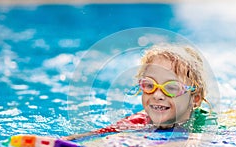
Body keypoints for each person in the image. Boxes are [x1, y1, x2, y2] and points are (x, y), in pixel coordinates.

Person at [63, 44, 217, 141]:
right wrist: (62, 142)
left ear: (195, 99)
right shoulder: (140, 120)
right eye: (149, 85)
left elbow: (195, 142)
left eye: (171, 88)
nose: (157, 95)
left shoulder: (205, 124)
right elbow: (96, 134)